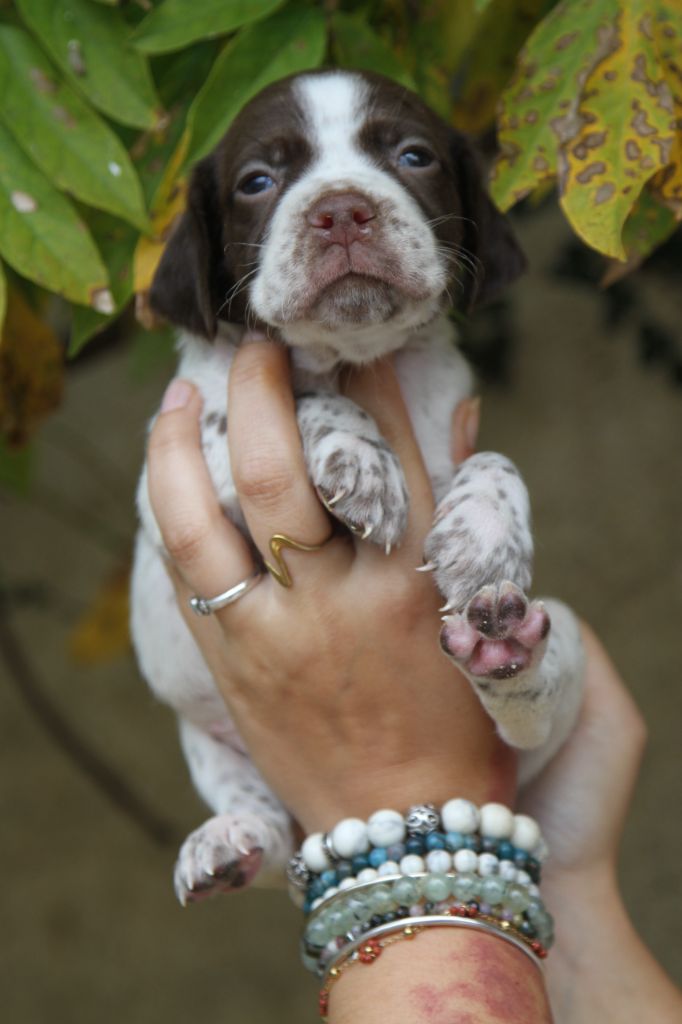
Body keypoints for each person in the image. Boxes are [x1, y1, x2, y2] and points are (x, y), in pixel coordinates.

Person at [147, 335, 682, 1023]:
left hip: (433, 745)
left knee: (543, 618)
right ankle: (252, 816)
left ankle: (518, 683)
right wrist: (567, 891)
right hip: (262, 740)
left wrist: (386, 804)